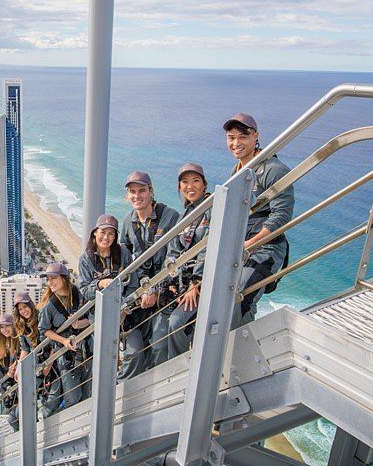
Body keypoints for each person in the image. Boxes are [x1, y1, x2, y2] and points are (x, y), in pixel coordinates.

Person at [223, 113, 295, 325]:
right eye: (231, 137)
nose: (236, 143)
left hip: (265, 249)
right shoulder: (237, 171)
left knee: (240, 299)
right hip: (242, 247)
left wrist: (248, 244)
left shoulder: (273, 170)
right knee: (222, 296)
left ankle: (240, 352)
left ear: (256, 136)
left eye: (242, 137)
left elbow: (281, 216)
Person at [118, 172, 180, 377]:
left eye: (142, 191)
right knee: (134, 347)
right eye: (132, 192)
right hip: (139, 291)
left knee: (159, 344)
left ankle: (156, 386)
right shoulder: (128, 221)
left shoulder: (169, 216)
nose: (137, 196)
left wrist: (154, 288)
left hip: (164, 289)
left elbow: (174, 257)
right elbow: (124, 259)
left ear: (151, 192)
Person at [157, 163, 212, 361]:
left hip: (204, 281)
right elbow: (173, 252)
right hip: (185, 282)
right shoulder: (184, 215)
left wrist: (194, 282)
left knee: (176, 323)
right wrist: (172, 281)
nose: (191, 186)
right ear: (180, 187)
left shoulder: (211, 208)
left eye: (196, 181)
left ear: (204, 184)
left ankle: (179, 367)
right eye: (185, 182)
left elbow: (208, 247)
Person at [76, 214, 140, 382]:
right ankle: (105, 386)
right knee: (104, 357)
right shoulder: (86, 259)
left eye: (111, 233)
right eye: (103, 232)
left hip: (124, 313)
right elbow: (84, 291)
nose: (106, 237)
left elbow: (133, 283)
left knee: (134, 351)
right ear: (94, 233)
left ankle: (122, 384)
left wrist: (125, 305)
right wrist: (100, 284)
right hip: (99, 315)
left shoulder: (123, 253)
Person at [37, 263, 89, 413]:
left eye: (53, 278)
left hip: (85, 349)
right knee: (72, 397)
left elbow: (92, 317)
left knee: (87, 392)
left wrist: (79, 324)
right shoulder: (50, 306)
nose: (50, 282)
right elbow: (44, 330)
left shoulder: (79, 294)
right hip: (65, 355)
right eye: (48, 279)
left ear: (64, 278)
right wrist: (63, 341)